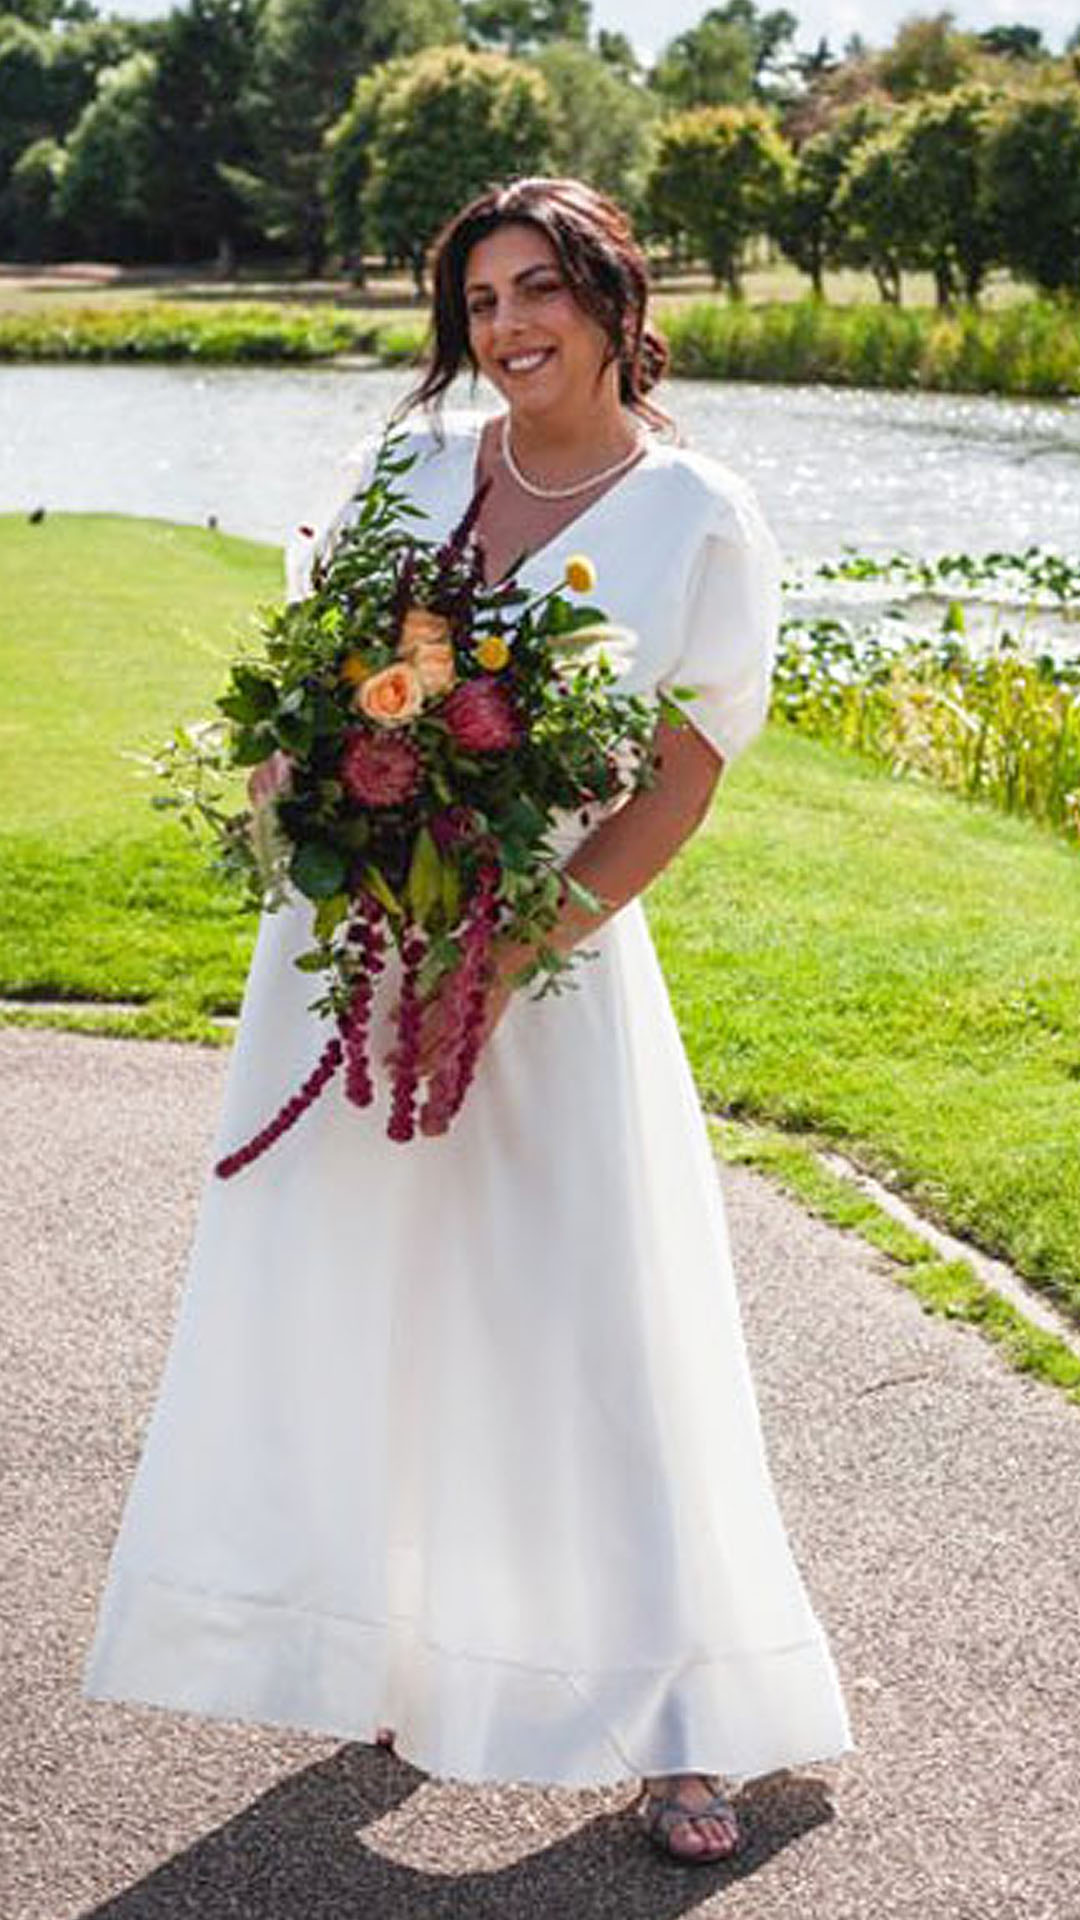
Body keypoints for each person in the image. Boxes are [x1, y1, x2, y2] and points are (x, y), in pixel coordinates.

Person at [82, 177, 854, 1865]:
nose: (507, 330)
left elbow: (678, 784)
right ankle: (400, 1656)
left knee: (597, 1335)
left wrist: (515, 950)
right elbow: (377, 667)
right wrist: (319, 776)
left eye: (537, 292)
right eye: (480, 300)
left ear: (610, 295)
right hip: (362, 959)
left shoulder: (692, 514)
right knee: (385, 1304)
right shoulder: (422, 466)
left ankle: (688, 1723)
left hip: (548, 981)